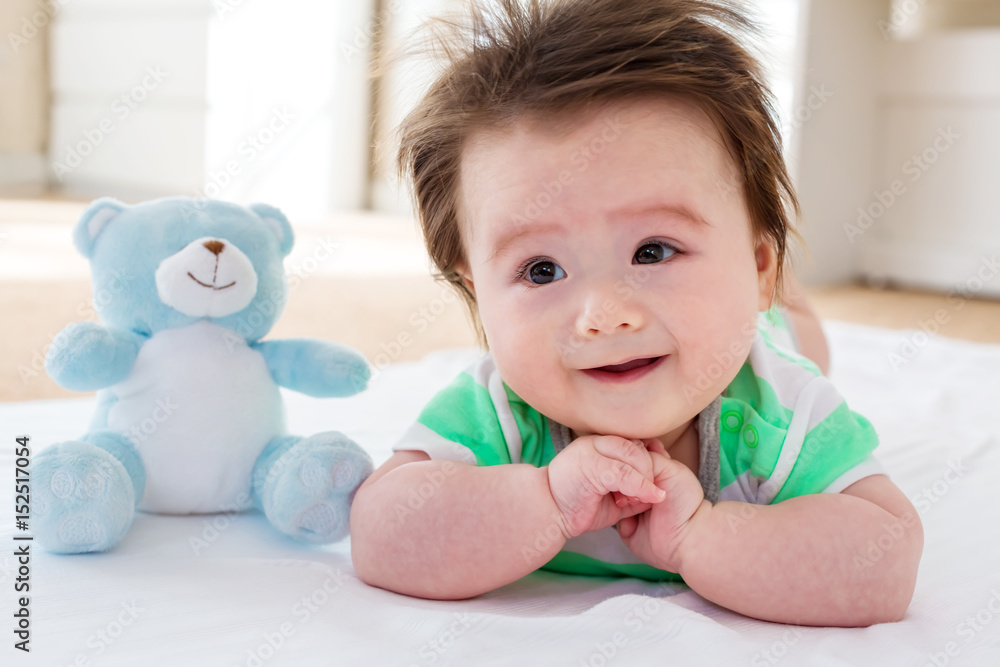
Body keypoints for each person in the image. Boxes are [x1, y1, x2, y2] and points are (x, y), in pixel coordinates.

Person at [350, 0, 922, 626]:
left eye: (653, 251)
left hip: (761, 331)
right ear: (477, 294)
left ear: (756, 264)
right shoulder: (500, 412)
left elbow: (884, 561)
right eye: (542, 270)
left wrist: (698, 536)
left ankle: (782, 294)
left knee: (801, 341)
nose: (603, 315)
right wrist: (546, 501)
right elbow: (382, 532)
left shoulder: (780, 412)